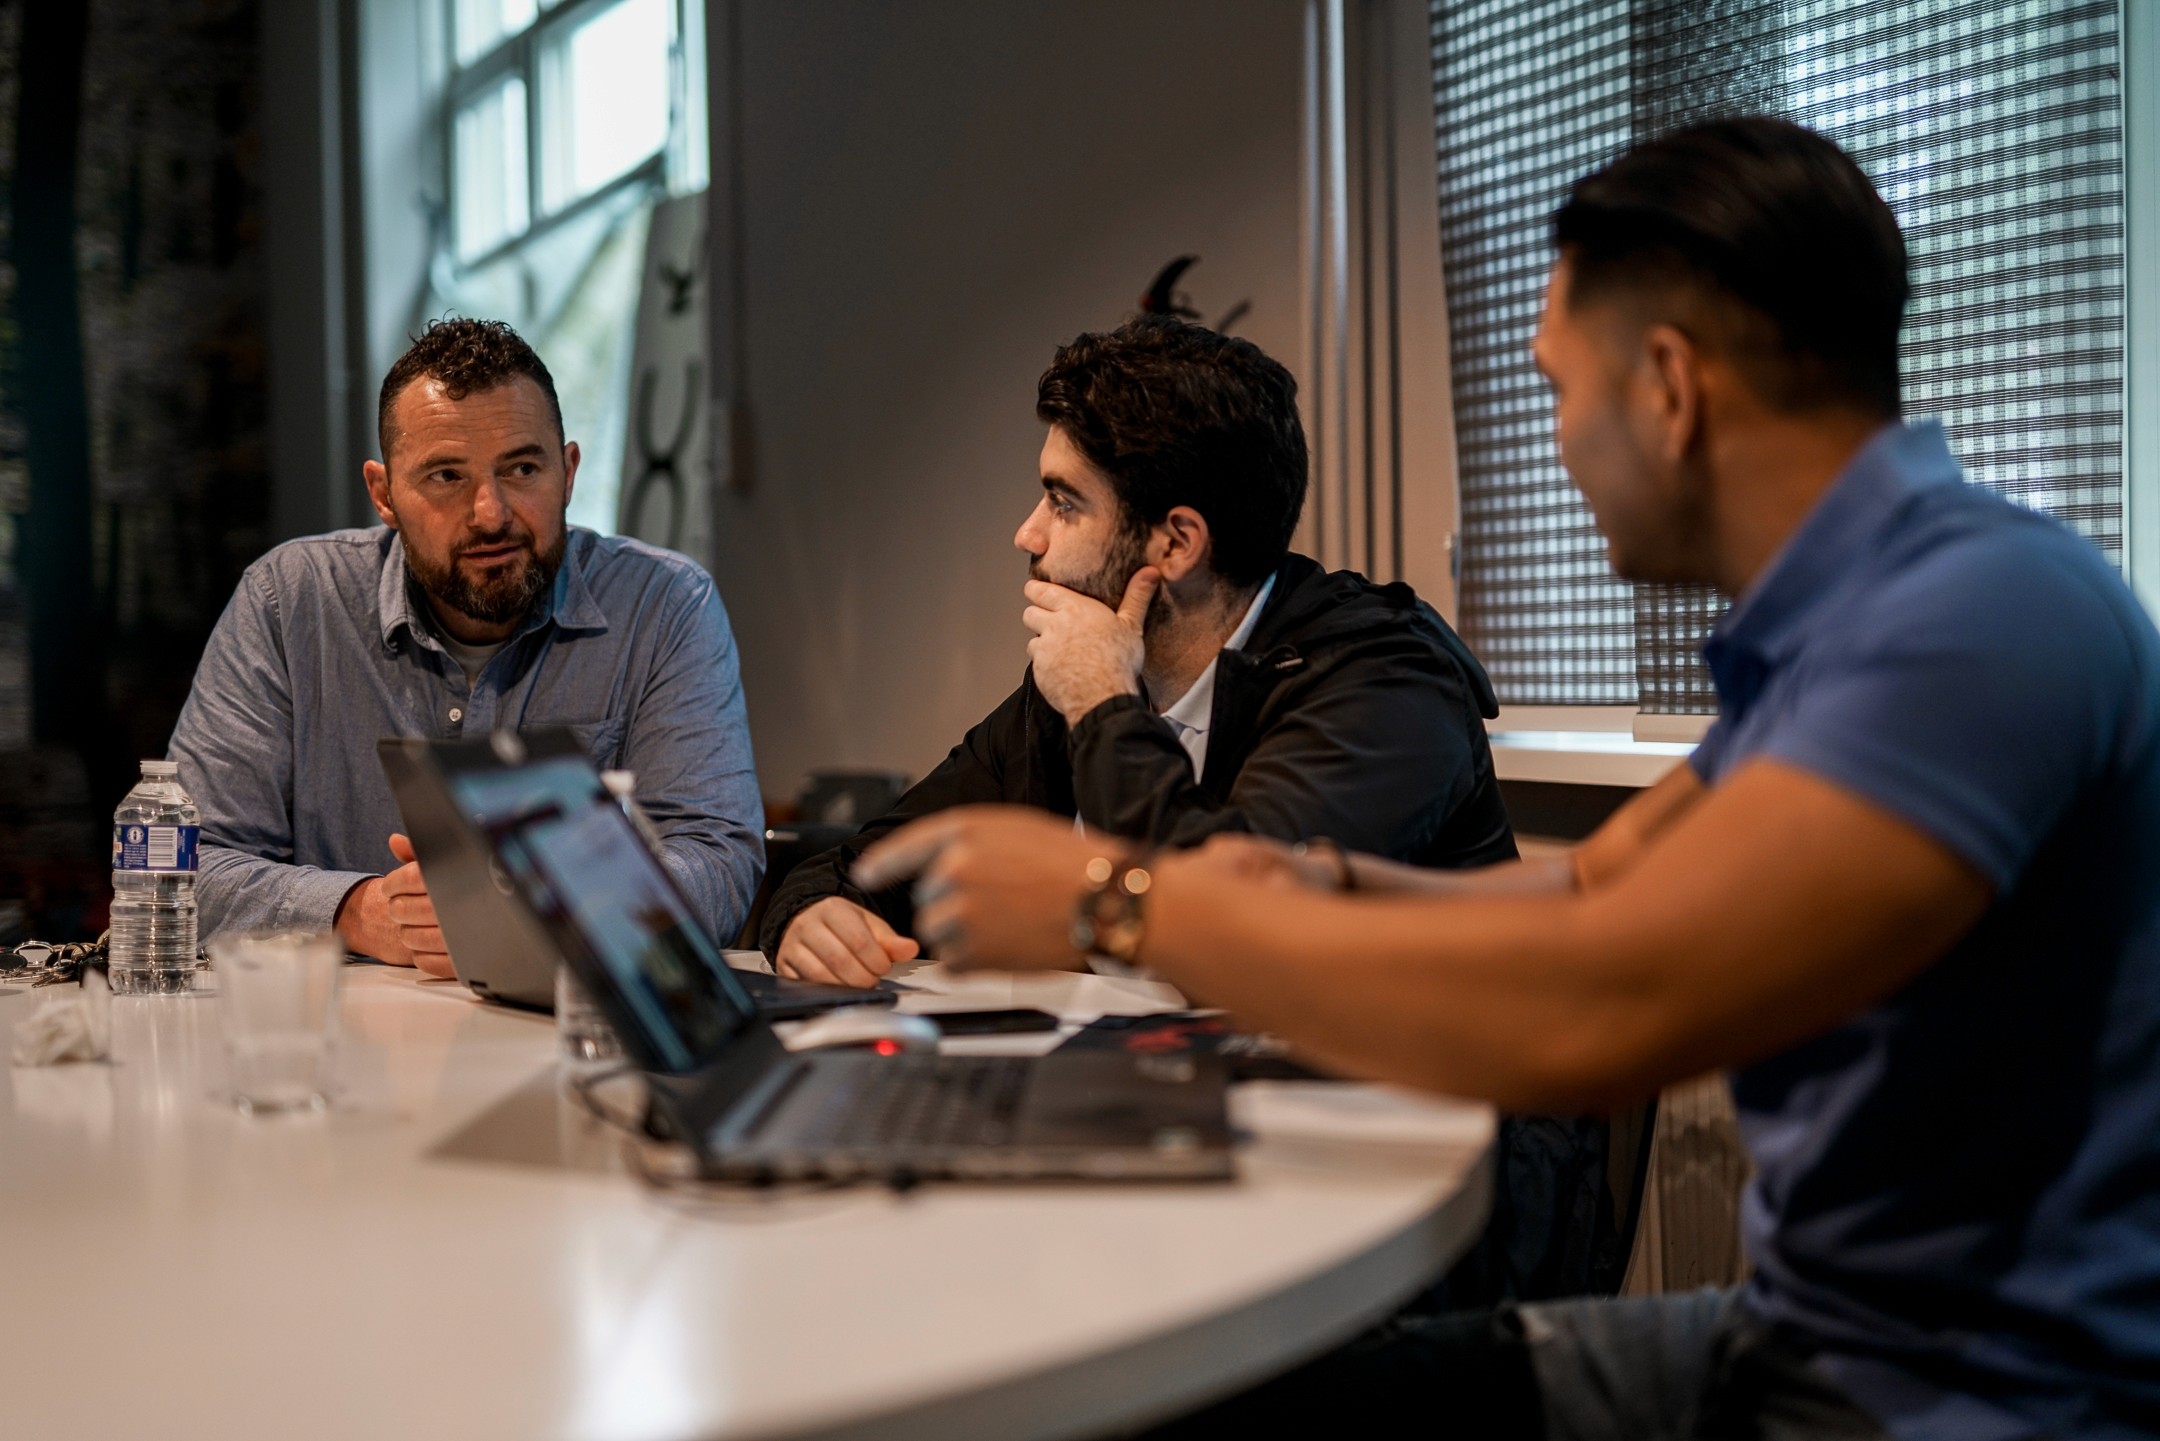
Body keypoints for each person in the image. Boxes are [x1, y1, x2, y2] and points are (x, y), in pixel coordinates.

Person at [853, 118, 2160, 1441]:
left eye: (1554, 386)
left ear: (1668, 387)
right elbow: (1598, 881)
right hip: (1808, 1334)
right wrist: (1308, 879)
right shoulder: (1857, 622)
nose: (1554, 443)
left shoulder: (1976, 622)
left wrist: (1116, 903)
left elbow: (1609, 1007)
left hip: (1976, 1403)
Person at [763, 315, 1515, 989]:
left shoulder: (1385, 684)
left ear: (1176, 541)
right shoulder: (1086, 678)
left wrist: (1101, 702)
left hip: (1425, 1125)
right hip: (1191, 1093)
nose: (1028, 535)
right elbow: (874, 862)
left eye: (1063, 502)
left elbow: (1237, 926)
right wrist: (810, 916)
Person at [170, 318, 763, 974]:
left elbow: (719, 861)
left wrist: (552, 904)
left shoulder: (664, 608)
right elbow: (183, 867)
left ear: (567, 472)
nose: (491, 512)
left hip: (569, 1039)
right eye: (447, 475)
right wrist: (357, 909)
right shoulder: (290, 604)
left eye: (522, 467)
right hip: (350, 1049)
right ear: (384, 493)